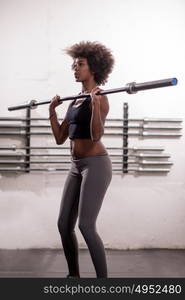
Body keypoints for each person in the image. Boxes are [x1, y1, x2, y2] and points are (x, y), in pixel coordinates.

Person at [49, 41, 114, 278]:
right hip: (76, 166)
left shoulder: (101, 98)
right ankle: (74, 277)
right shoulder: (76, 99)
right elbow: (60, 137)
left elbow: (96, 135)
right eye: (74, 65)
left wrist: (96, 105)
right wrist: (52, 112)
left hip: (96, 166)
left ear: (93, 68)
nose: (75, 69)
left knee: (86, 226)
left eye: (80, 65)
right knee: (63, 224)